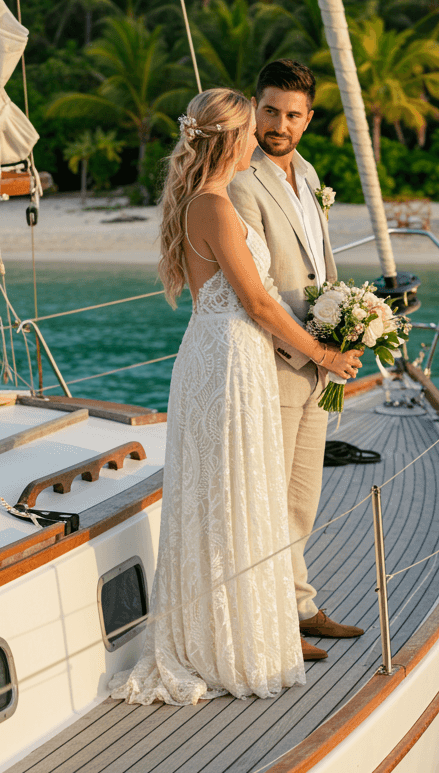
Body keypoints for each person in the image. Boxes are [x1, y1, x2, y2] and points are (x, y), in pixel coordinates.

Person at [111, 87, 362, 706]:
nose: (259, 136)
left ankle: (250, 625)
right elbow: (256, 302)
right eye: (252, 127)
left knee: (237, 492)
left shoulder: (212, 200)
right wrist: (326, 354)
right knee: (231, 494)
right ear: (232, 139)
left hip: (234, 355)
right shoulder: (216, 207)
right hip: (228, 356)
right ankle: (228, 639)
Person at [228, 59, 364, 664]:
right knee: (270, 496)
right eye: (269, 110)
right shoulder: (240, 182)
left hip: (317, 362)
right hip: (277, 360)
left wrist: (349, 324)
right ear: (254, 109)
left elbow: (317, 268)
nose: (278, 124)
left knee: (301, 497)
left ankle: (302, 604)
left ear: (309, 120)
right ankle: (276, 623)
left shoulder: (308, 177)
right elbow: (257, 289)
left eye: (291, 114)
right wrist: (318, 349)